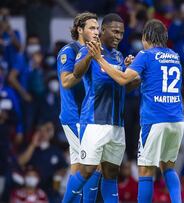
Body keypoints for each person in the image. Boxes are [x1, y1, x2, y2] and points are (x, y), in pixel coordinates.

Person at [93, 19, 184, 203]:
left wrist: (99, 58)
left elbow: (124, 79)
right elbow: (154, 79)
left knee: (145, 170)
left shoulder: (146, 54)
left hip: (155, 119)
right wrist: (135, 67)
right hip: (176, 119)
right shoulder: (175, 56)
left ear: (146, 37)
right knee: (168, 167)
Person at [61, 13, 127, 203]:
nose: (118, 36)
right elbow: (76, 72)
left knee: (111, 172)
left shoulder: (119, 55)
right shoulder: (87, 49)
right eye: (115, 32)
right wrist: (91, 55)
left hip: (116, 122)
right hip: (94, 121)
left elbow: (124, 84)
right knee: (87, 169)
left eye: (121, 33)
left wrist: (129, 70)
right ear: (103, 30)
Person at [58, 12, 102, 203]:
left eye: (98, 28)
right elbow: (66, 82)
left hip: (88, 117)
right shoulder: (69, 51)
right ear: (79, 29)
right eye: (92, 28)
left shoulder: (94, 51)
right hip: (75, 116)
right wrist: (84, 65)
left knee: (77, 168)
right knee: (94, 166)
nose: (97, 31)